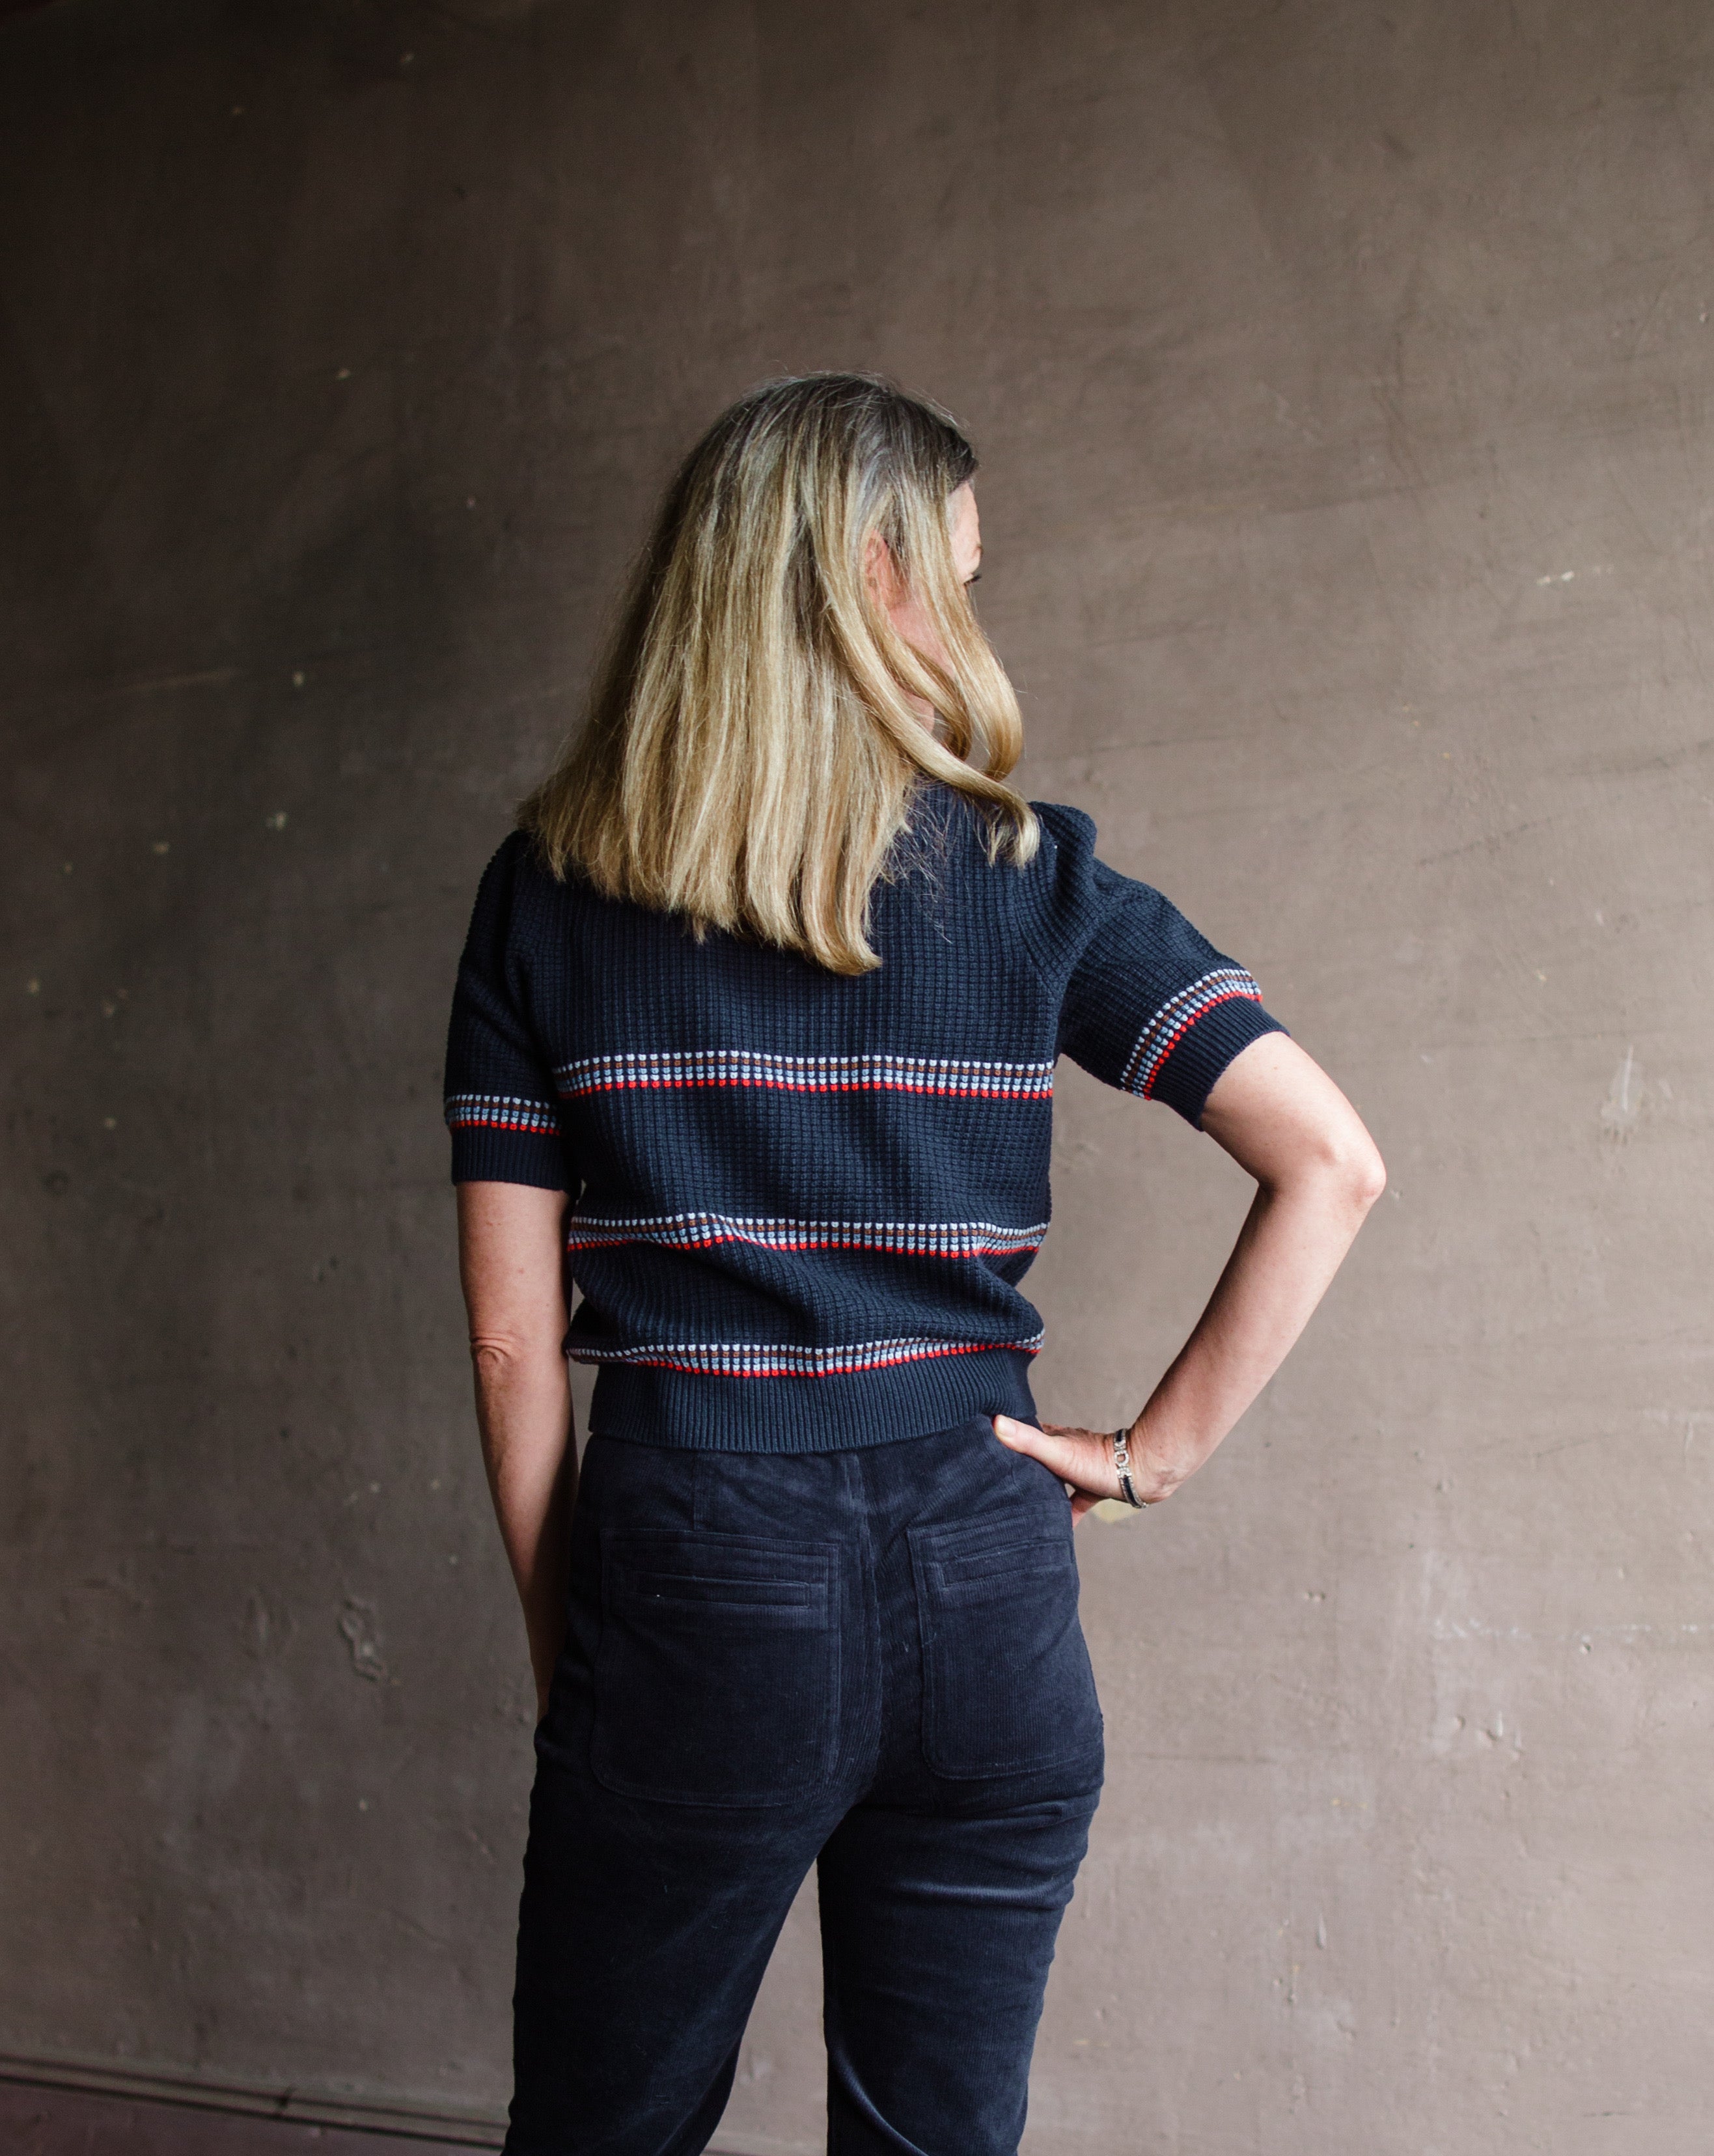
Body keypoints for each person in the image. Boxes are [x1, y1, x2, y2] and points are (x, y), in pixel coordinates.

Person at [445, 372, 1385, 2156]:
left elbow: (510, 1354)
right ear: (877, 581)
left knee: (601, 2124)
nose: (970, 613)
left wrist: (585, 1657)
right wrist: (1139, 1463)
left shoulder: (545, 894)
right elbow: (1329, 1160)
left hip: (697, 1548)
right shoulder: (1033, 878)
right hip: (986, 1560)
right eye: (959, 572)